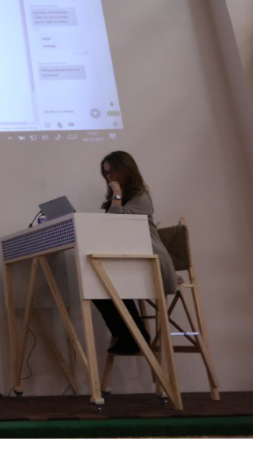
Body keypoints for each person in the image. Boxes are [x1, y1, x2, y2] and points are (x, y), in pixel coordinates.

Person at [93, 151, 177, 355]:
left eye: (113, 171)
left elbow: (117, 223)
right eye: (106, 173)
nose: (110, 177)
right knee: (96, 285)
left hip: (151, 259)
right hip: (134, 258)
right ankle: (130, 335)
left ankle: (134, 337)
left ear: (126, 169)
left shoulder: (140, 196)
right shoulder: (119, 198)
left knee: (106, 284)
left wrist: (117, 194)